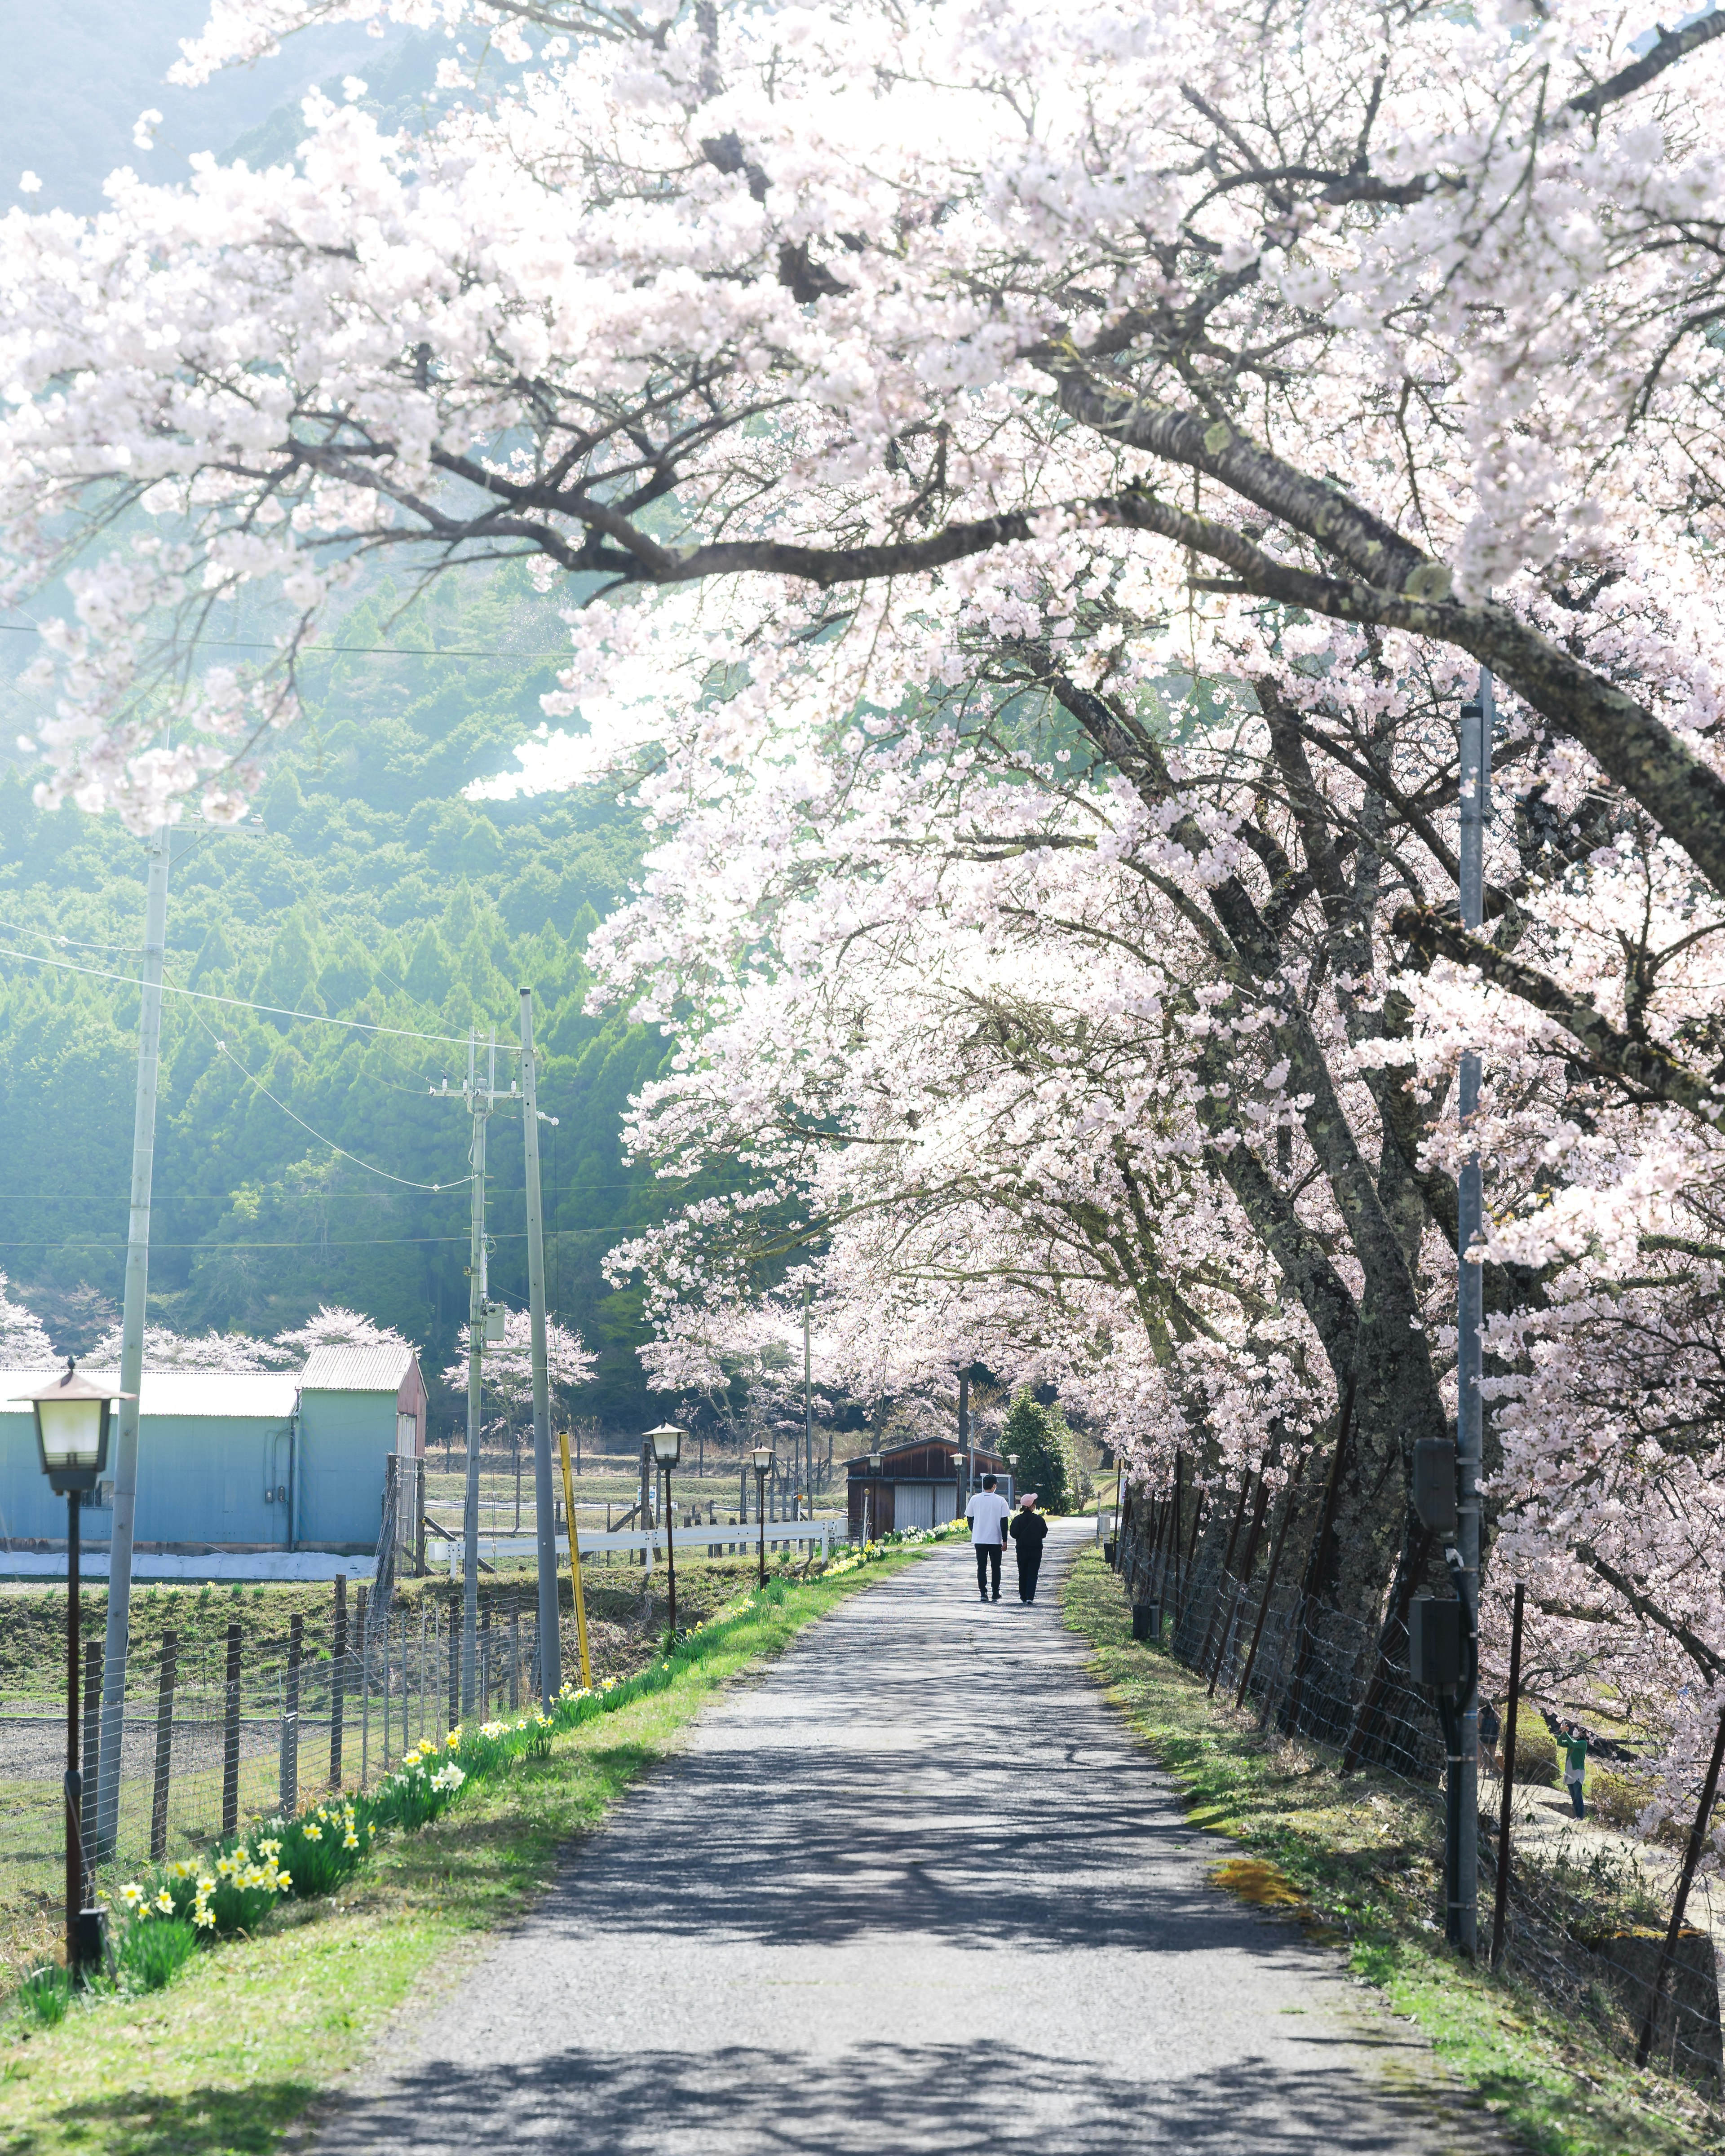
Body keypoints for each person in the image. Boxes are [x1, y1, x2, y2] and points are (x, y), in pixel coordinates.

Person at [966, 1473, 1011, 1603]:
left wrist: (974, 1530)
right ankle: (996, 1592)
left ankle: (983, 1592)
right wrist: (1005, 1539)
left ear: (983, 1485)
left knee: (982, 1566)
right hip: (995, 1539)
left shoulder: (975, 1499)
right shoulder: (1000, 1500)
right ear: (995, 1486)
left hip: (979, 1538)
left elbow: (969, 1517)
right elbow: (1004, 1521)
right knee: (996, 1567)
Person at [1009, 1491, 1048, 1604]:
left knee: (1023, 1573)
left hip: (1021, 1550)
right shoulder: (1039, 1520)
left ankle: (1023, 1596)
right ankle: (1030, 1597)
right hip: (1036, 1551)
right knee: (1033, 1573)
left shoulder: (1017, 1520)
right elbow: (1044, 1534)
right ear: (1033, 1506)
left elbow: (1013, 1534)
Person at [1562, 1722, 1589, 1819]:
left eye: (1578, 1731)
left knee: (1578, 1795)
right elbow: (1560, 1743)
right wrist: (1563, 1733)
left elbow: (1573, 1744)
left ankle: (1580, 1817)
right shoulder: (1572, 1741)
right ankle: (1577, 1816)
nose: (1575, 1732)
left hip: (1577, 1772)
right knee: (1573, 1796)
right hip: (1569, 1771)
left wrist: (1565, 1733)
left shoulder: (1583, 1743)